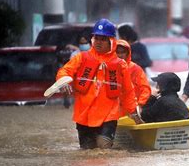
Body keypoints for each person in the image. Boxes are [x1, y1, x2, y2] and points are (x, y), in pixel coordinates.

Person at [56, 18, 139, 149]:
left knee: (103, 148)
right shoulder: (81, 58)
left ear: (111, 41)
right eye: (97, 38)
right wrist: (63, 81)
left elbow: (128, 91)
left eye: (103, 39)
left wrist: (132, 111)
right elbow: (65, 71)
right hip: (84, 115)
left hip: (108, 115)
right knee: (87, 152)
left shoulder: (120, 64)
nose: (99, 42)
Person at [116, 39, 151, 113]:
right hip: (113, 111)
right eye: (117, 52)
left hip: (131, 110)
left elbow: (145, 88)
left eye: (123, 52)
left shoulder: (135, 69)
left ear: (127, 53)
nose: (120, 55)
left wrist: (140, 105)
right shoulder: (108, 67)